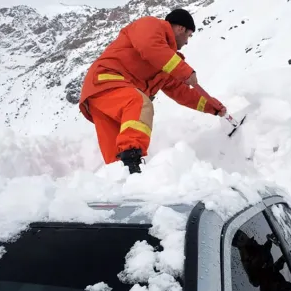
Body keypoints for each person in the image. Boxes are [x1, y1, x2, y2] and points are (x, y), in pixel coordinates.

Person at [78, 8, 227, 174]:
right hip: (108, 80)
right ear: (181, 28)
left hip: (101, 97)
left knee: (117, 160)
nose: (187, 42)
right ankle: (134, 161)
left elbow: (180, 91)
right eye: (189, 35)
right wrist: (185, 71)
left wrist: (212, 106)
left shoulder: (164, 62)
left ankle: (124, 183)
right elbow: (149, 47)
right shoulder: (151, 25)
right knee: (140, 103)